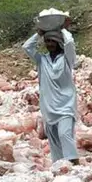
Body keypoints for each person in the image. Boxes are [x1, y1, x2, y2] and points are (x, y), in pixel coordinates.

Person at [22, 18, 79, 165]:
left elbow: (70, 44)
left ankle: (74, 162)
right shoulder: (42, 60)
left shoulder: (67, 59)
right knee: (53, 138)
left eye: (53, 41)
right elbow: (27, 47)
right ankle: (59, 166)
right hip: (48, 107)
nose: (50, 44)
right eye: (47, 41)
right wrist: (39, 33)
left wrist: (63, 29)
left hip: (66, 104)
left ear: (58, 42)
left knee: (65, 134)